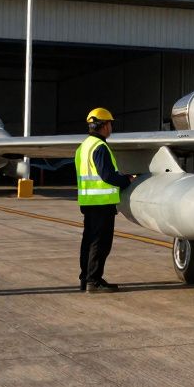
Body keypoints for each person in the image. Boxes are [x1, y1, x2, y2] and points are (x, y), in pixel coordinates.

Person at [75, 108, 134, 293]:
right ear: (104, 125)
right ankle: (94, 281)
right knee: (99, 243)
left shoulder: (83, 147)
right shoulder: (100, 147)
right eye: (110, 123)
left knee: (88, 241)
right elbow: (107, 175)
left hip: (89, 202)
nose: (111, 127)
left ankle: (86, 279)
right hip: (101, 203)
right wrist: (127, 181)